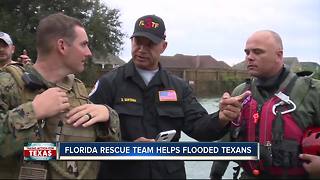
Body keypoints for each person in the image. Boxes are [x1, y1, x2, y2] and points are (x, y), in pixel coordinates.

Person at [89, 14, 250, 179]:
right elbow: (88, 137)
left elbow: (199, 128)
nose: (142, 49)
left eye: (150, 44)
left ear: (163, 46)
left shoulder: (178, 87)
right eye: (138, 42)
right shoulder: (109, 83)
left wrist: (222, 118)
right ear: (131, 42)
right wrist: (128, 149)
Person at [0, 13, 121, 179]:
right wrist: (34, 111)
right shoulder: (8, 83)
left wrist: (109, 117)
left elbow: (105, 149)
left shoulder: (78, 89)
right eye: (84, 44)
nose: (89, 53)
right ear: (62, 46)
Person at [210, 30, 320, 179]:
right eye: (247, 52)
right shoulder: (241, 92)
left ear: (279, 55)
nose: (249, 57)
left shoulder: (313, 92)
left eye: (257, 52)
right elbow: (226, 143)